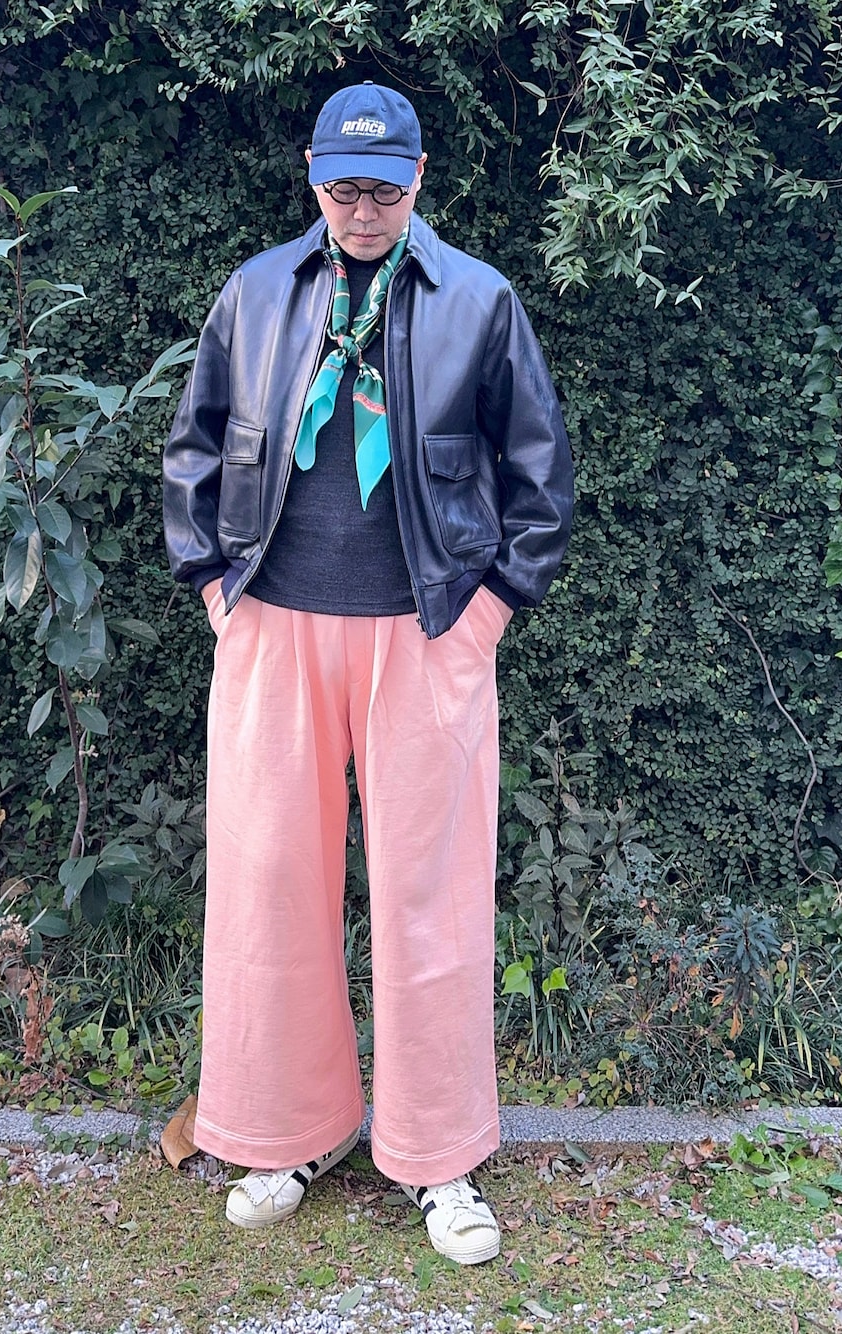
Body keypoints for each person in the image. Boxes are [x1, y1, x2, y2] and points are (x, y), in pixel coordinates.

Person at [162, 81, 573, 1266]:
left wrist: (487, 615)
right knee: (267, 889)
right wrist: (214, 590)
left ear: (419, 177)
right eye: (343, 188)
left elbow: (540, 474)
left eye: (383, 189)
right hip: (273, 630)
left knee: (431, 899)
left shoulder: (479, 299)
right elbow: (195, 447)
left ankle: (439, 1154)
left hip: (427, 635)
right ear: (310, 177)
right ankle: (286, 1131)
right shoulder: (255, 291)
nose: (361, 210)